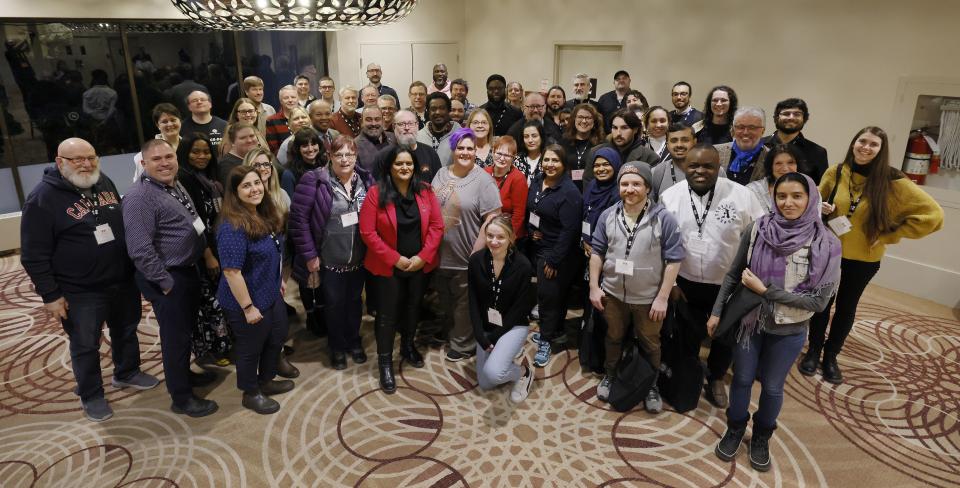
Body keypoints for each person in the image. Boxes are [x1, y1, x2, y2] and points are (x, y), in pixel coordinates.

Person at [710, 172, 842, 472]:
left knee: (771, 387)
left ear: (811, 198)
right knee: (742, 379)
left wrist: (767, 291)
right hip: (750, 322)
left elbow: (819, 303)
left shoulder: (828, 243)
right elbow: (733, 273)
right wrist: (717, 312)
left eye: (797, 196)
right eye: (782, 196)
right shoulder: (759, 228)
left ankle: (761, 436)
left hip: (790, 328)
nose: (788, 202)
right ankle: (735, 427)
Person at [21, 138, 158, 422]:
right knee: (85, 344)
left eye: (91, 157)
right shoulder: (42, 199)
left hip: (121, 278)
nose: (86, 164)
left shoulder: (102, 180)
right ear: (60, 162)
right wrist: (50, 295)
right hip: (79, 290)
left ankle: (127, 372)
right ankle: (91, 394)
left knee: (126, 329)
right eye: (77, 159)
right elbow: (34, 255)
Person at [800, 127, 943, 384]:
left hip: (864, 258)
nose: (865, 147)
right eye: (861, 141)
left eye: (873, 144)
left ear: (881, 150)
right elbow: (811, 204)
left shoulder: (892, 180)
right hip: (830, 251)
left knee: (846, 306)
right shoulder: (837, 171)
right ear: (853, 143)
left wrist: (889, 235)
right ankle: (813, 351)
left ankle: (831, 356)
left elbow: (934, 216)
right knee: (822, 303)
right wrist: (821, 209)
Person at [659, 143, 766, 408]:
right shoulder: (670, 197)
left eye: (708, 165)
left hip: (727, 283)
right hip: (685, 281)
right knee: (687, 332)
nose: (700, 171)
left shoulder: (742, 196)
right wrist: (669, 283)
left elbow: (759, 239)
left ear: (719, 167)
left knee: (725, 334)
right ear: (684, 166)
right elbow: (660, 244)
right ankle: (688, 376)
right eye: (693, 165)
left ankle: (716, 376)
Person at [123, 139, 219, 417]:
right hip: (168, 277)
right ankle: (182, 397)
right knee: (174, 337)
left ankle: (184, 374)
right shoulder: (139, 197)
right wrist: (165, 282)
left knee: (184, 331)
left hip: (188, 269)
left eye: (169, 157)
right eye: (156, 159)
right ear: (144, 163)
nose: (164, 163)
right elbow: (140, 250)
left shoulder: (173, 184)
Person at [589, 163, 684, 412]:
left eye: (636, 184)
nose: (629, 189)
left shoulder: (664, 218)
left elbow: (674, 260)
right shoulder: (608, 215)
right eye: (624, 184)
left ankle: (650, 384)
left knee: (650, 342)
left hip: (648, 298)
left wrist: (662, 298)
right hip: (613, 294)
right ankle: (610, 374)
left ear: (647, 187)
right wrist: (593, 287)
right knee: (613, 337)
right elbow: (597, 253)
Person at [360, 146, 444, 392]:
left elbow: (437, 227)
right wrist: (395, 258)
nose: (405, 168)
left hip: (419, 264)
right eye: (399, 164)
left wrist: (423, 256)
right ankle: (385, 362)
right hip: (388, 266)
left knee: (413, 307)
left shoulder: (426, 191)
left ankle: (408, 345)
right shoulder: (376, 193)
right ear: (390, 167)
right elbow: (368, 233)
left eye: (409, 164)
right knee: (387, 315)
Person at [290, 136, 375, 370]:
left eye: (349, 154)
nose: (344, 159)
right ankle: (337, 346)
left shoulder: (366, 180)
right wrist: (309, 256)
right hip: (328, 260)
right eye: (339, 154)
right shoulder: (314, 180)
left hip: (359, 260)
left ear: (356, 156)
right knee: (334, 304)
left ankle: (353, 340)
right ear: (329, 156)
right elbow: (299, 222)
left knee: (355, 303)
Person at [217, 166, 294, 415]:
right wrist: (248, 308)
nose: (254, 189)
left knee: (277, 336)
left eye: (257, 183)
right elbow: (231, 272)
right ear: (235, 192)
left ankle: (267, 379)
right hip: (247, 301)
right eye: (246, 186)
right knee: (251, 347)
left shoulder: (263, 213)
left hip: (269, 292)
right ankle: (250, 392)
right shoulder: (232, 226)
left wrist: (278, 280)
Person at [429, 128, 502, 361]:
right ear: (453, 149)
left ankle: (463, 344)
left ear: (476, 151)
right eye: (460, 147)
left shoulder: (484, 180)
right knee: (445, 296)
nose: (465, 152)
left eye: (470, 148)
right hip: (439, 252)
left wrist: (477, 253)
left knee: (464, 301)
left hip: (467, 252)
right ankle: (450, 331)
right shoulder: (441, 173)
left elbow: (493, 219)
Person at [175, 133, 231, 366]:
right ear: (185, 153)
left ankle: (225, 343)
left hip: (220, 244)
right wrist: (208, 255)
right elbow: (193, 221)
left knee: (224, 296)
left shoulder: (212, 179)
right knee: (210, 302)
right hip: (203, 251)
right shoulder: (185, 180)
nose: (201, 156)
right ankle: (216, 350)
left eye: (206, 151)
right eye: (195, 152)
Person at [468, 215, 536, 402]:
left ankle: (523, 372)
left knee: (494, 373)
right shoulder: (476, 261)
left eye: (500, 237)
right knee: (485, 382)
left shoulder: (523, 266)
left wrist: (494, 337)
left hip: (513, 325)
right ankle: (505, 351)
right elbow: (472, 300)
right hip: (486, 326)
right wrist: (480, 335)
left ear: (511, 238)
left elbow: (520, 309)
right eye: (490, 236)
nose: (494, 242)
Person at [527, 144, 584, 367]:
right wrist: (533, 231)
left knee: (547, 298)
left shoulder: (569, 192)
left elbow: (570, 231)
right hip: (540, 245)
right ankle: (556, 331)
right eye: (547, 160)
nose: (550, 165)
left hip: (558, 252)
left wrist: (554, 259)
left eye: (555, 161)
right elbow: (533, 209)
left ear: (564, 164)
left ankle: (546, 340)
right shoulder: (537, 180)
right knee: (553, 295)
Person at [280, 129, 327, 336]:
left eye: (314, 143)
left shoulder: (325, 166)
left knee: (322, 277)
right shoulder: (290, 173)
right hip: (304, 232)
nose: (310, 149)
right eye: (305, 145)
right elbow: (293, 211)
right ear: (298, 149)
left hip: (325, 232)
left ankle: (323, 312)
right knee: (308, 278)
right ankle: (312, 316)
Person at [583, 109, 660, 182]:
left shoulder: (650, 157)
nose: (618, 133)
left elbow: (651, 189)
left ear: (635, 130)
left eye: (624, 128)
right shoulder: (595, 152)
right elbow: (588, 184)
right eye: (614, 128)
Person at [763, 98, 829, 184]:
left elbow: (821, 189)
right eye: (786, 114)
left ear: (804, 119)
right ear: (776, 118)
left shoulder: (818, 152)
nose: (791, 117)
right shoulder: (759, 145)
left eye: (797, 114)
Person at [485, 136, 528, 237]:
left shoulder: (518, 178)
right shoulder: (485, 172)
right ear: (493, 152)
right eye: (499, 153)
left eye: (507, 155)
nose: (502, 158)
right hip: (486, 230)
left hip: (508, 233)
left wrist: (507, 237)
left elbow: (519, 214)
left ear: (514, 157)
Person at [745, 144, 808, 213]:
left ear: (798, 165)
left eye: (790, 163)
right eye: (778, 163)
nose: (785, 169)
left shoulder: (810, 190)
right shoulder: (752, 190)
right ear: (770, 166)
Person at [716, 106, 769, 185]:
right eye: (740, 127)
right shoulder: (715, 152)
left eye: (752, 127)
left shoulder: (771, 157)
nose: (745, 132)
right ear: (733, 129)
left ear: (763, 131)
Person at [561, 103, 604, 190]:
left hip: (593, 190)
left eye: (588, 118)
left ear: (594, 121)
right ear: (574, 119)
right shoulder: (564, 141)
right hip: (567, 190)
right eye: (580, 117)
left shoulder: (601, 144)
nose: (584, 121)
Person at [651, 122, 697, 200]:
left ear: (695, 142)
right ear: (667, 145)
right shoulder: (656, 172)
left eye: (685, 140)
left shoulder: (713, 170)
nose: (679, 145)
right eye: (674, 141)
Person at [417, 92, 461, 165]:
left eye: (442, 108)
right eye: (433, 109)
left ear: (449, 110)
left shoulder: (460, 135)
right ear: (428, 111)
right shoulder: (418, 137)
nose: (437, 112)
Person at [354, 106, 396, 173]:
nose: (373, 123)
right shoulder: (354, 146)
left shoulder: (394, 138)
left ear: (382, 121)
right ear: (361, 122)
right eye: (369, 120)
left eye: (377, 119)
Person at [265, 85, 300, 154]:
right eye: (286, 98)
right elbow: (274, 149)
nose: (290, 100)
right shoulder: (272, 120)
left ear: (298, 99)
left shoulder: (305, 118)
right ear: (281, 101)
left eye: (293, 97)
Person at [515, 121, 545, 186]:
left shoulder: (547, 159)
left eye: (534, 136)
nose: (530, 140)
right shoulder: (516, 160)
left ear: (541, 137)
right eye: (526, 136)